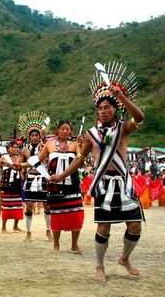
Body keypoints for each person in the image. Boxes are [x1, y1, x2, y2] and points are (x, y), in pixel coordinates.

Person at [51, 62, 144, 282]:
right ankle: (100, 266)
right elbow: (80, 159)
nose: (102, 111)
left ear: (115, 109)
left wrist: (122, 97)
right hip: (104, 184)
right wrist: (61, 176)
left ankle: (124, 258)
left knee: (135, 225)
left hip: (124, 182)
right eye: (100, 108)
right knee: (104, 227)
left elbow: (139, 117)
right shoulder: (92, 134)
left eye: (107, 108)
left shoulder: (123, 127)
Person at [21, 121, 84, 253]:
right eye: (63, 128)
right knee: (56, 213)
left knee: (76, 213)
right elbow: (37, 161)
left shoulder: (75, 145)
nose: (65, 131)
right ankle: (56, 244)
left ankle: (74, 244)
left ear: (71, 132)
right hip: (55, 184)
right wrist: (20, 166)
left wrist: (82, 145)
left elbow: (80, 160)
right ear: (57, 131)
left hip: (72, 183)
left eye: (68, 129)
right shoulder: (49, 145)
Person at [17, 111, 53, 242]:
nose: (34, 137)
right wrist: (20, 169)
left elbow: (49, 157)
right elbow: (18, 164)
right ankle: (28, 232)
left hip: (43, 178)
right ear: (28, 137)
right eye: (32, 135)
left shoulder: (45, 147)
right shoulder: (25, 150)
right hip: (30, 179)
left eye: (36, 135)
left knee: (47, 205)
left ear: (39, 136)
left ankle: (48, 231)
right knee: (29, 206)